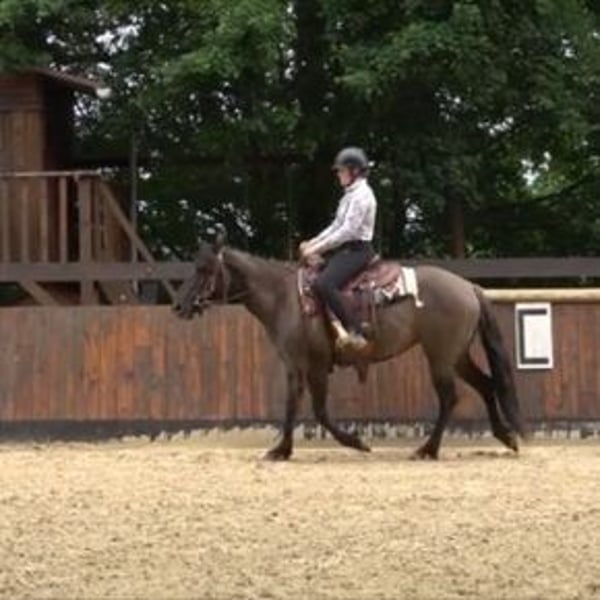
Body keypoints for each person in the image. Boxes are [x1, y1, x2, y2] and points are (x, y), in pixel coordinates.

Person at [300, 147, 377, 350]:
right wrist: (313, 243)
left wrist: (317, 248)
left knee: (325, 283)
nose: (338, 174)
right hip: (348, 250)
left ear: (354, 171)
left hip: (359, 251)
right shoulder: (350, 195)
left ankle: (356, 331)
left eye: (342, 170)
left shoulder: (362, 196)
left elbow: (347, 231)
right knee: (315, 278)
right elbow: (336, 225)